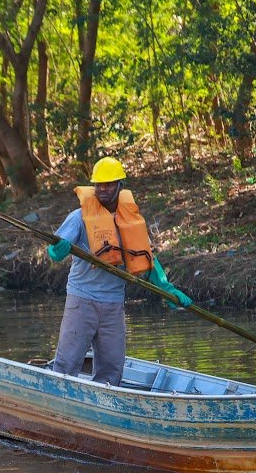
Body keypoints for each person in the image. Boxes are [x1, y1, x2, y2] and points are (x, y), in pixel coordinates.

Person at [45, 156, 192, 386]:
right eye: (99, 184)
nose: (103, 189)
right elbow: (54, 251)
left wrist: (167, 288)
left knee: (112, 371)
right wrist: (57, 251)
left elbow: (146, 258)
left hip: (113, 304)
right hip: (81, 300)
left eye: (109, 184)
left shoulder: (130, 220)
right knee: (65, 366)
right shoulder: (79, 217)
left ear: (119, 185)